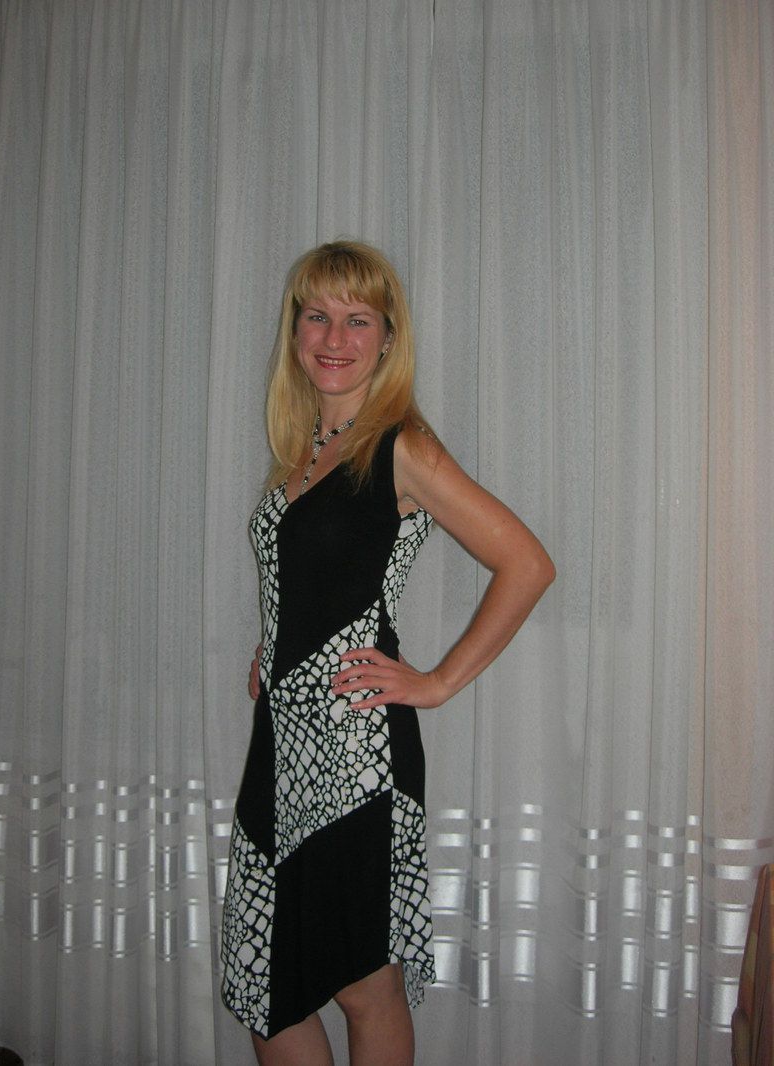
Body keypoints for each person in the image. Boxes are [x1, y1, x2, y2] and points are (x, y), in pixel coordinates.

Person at [221, 240, 555, 1066]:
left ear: (387, 338)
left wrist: (438, 682)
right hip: (282, 745)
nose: (335, 337)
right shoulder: (303, 448)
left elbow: (527, 564)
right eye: (317, 316)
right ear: (295, 332)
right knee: (266, 981)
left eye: (358, 320)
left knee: (362, 986)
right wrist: (278, 641)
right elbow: (320, 573)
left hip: (355, 758)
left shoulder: (401, 445)